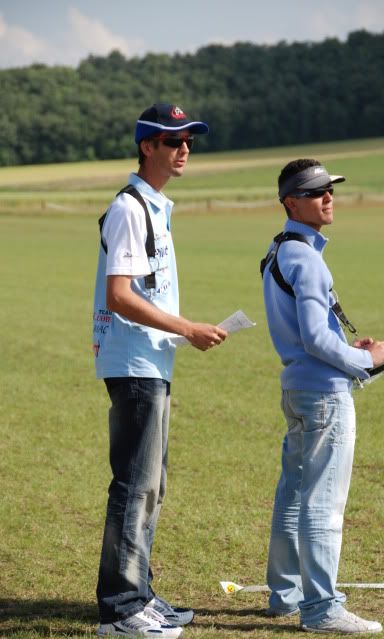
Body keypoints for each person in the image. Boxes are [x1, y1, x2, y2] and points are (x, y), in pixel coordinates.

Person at [92, 103, 227, 638]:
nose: (184, 148)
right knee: (135, 485)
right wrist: (186, 327)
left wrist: (182, 332)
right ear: (147, 146)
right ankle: (122, 608)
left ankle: (140, 594)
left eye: (189, 139)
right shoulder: (130, 208)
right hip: (134, 363)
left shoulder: (155, 205)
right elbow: (120, 295)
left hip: (151, 361)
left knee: (151, 485)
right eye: (173, 140)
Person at [261, 158, 384, 634]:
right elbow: (316, 339)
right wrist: (369, 361)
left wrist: (347, 348)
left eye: (329, 189)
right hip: (324, 396)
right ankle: (321, 609)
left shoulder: (279, 250)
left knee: (293, 495)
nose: (328, 197)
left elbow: (311, 334)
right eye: (316, 192)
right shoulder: (306, 258)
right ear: (291, 202)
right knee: (322, 504)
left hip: (297, 389)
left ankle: (286, 595)